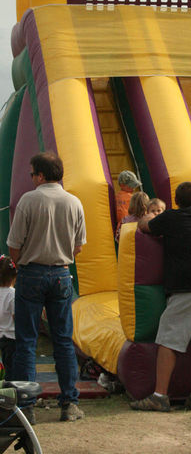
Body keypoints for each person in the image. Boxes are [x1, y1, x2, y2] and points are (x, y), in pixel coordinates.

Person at [131, 181, 191, 412]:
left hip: (187, 285)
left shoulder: (171, 218)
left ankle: (160, 395)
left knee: (167, 340)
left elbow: (145, 226)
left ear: (176, 202)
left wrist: (144, 219)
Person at [7, 151, 86, 424]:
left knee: (26, 342)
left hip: (31, 273)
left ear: (40, 175)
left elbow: (14, 245)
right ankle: (69, 403)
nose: (31, 179)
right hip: (62, 274)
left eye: (32, 174)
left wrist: (22, 262)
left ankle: (26, 406)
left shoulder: (29, 201)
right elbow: (78, 246)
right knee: (63, 341)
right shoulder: (74, 202)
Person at [0, 255, 17, 381]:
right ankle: (10, 392)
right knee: (10, 367)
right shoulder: (13, 294)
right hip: (11, 336)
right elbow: (15, 316)